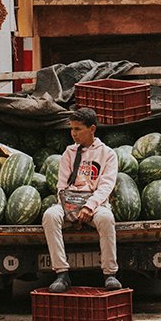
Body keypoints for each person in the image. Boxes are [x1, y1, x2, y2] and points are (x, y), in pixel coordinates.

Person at [41, 107, 121, 292]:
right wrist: (68, 207)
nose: (73, 133)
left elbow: (106, 186)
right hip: (69, 201)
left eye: (78, 129)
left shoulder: (108, 154)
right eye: (71, 128)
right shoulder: (69, 153)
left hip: (94, 202)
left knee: (106, 218)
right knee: (50, 216)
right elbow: (61, 185)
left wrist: (89, 207)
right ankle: (62, 273)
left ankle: (110, 273)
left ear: (92, 129)